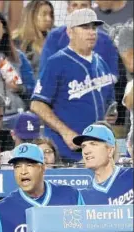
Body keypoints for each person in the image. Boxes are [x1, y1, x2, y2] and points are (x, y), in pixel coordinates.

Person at [30, 8, 116, 163]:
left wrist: (110, 114)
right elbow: (37, 104)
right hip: (64, 154)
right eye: (85, 27)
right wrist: (66, 133)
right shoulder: (56, 62)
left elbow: (109, 103)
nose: (91, 32)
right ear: (70, 32)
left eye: (93, 27)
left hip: (95, 156)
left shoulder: (101, 62)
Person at [39, 0, 119, 78]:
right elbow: (46, 72)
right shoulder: (54, 37)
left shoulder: (105, 40)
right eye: (74, 5)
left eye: (83, 5)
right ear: (68, 9)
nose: (78, 10)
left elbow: (113, 74)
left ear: (91, 9)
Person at [12, 0, 55, 76]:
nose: (49, 19)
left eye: (50, 15)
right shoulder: (15, 41)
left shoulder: (55, 38)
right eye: (44, 14)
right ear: (31, 16)